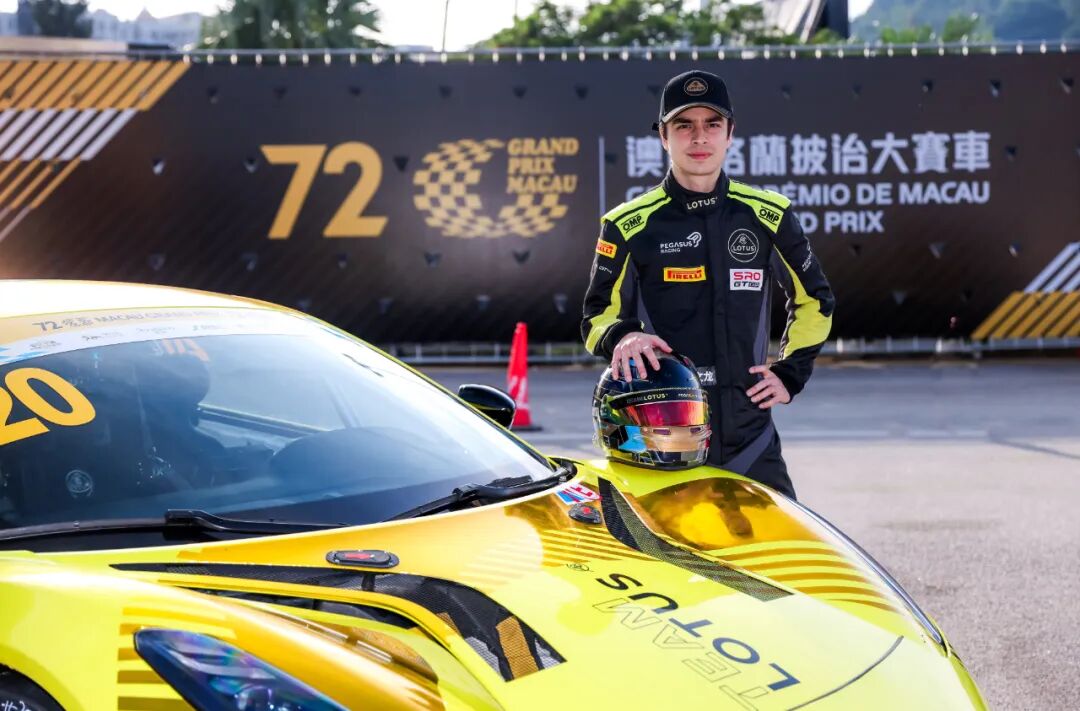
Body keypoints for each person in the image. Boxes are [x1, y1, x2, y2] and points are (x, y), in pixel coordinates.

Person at [581, 69, 835, 499]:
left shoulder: (768, 214)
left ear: (730, 133)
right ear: (664, 136)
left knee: (779, 544)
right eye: (684, 125)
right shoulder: (627, 225)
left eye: (712, 124)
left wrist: (790, 374)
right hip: (662, 439)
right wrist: (622, 336)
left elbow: (817, 300)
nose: (699, 137)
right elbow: (595, 318)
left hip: (750, 437)